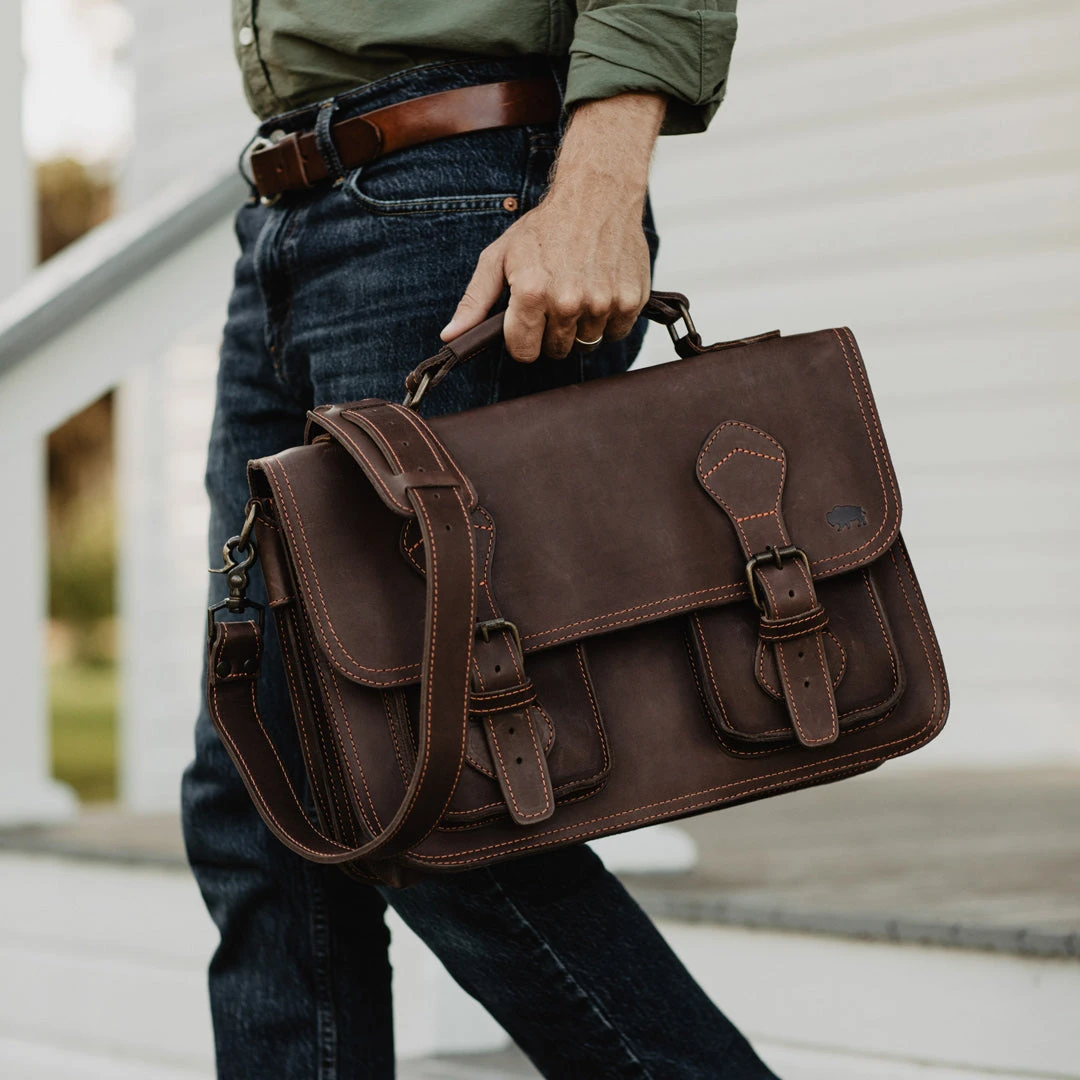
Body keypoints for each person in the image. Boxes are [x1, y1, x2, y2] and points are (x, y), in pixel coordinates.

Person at [183, 2, 778, 1076]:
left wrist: (601, 183)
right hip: (285, 215)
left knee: (431, 790)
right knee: (259, 788)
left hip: (452, 199)